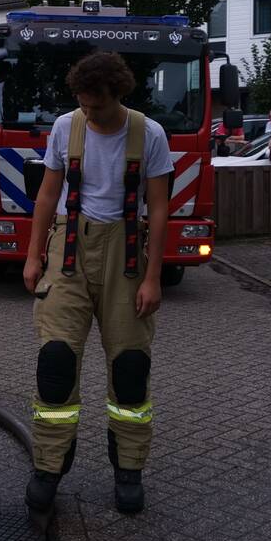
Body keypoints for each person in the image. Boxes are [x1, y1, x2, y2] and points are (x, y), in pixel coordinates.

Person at [22, 51, 173, 515]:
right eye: (84, 105)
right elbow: (49, 192)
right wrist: (31, 257)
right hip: (69, 251)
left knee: (130, 369)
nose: (90, 114)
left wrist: (153, 277)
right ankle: (48, 465)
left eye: (98, 106)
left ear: (118, 95)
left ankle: (129, 468)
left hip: (127, 256)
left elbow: (160, 208)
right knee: (56, 362)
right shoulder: (67, 127)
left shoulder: (148, 133)